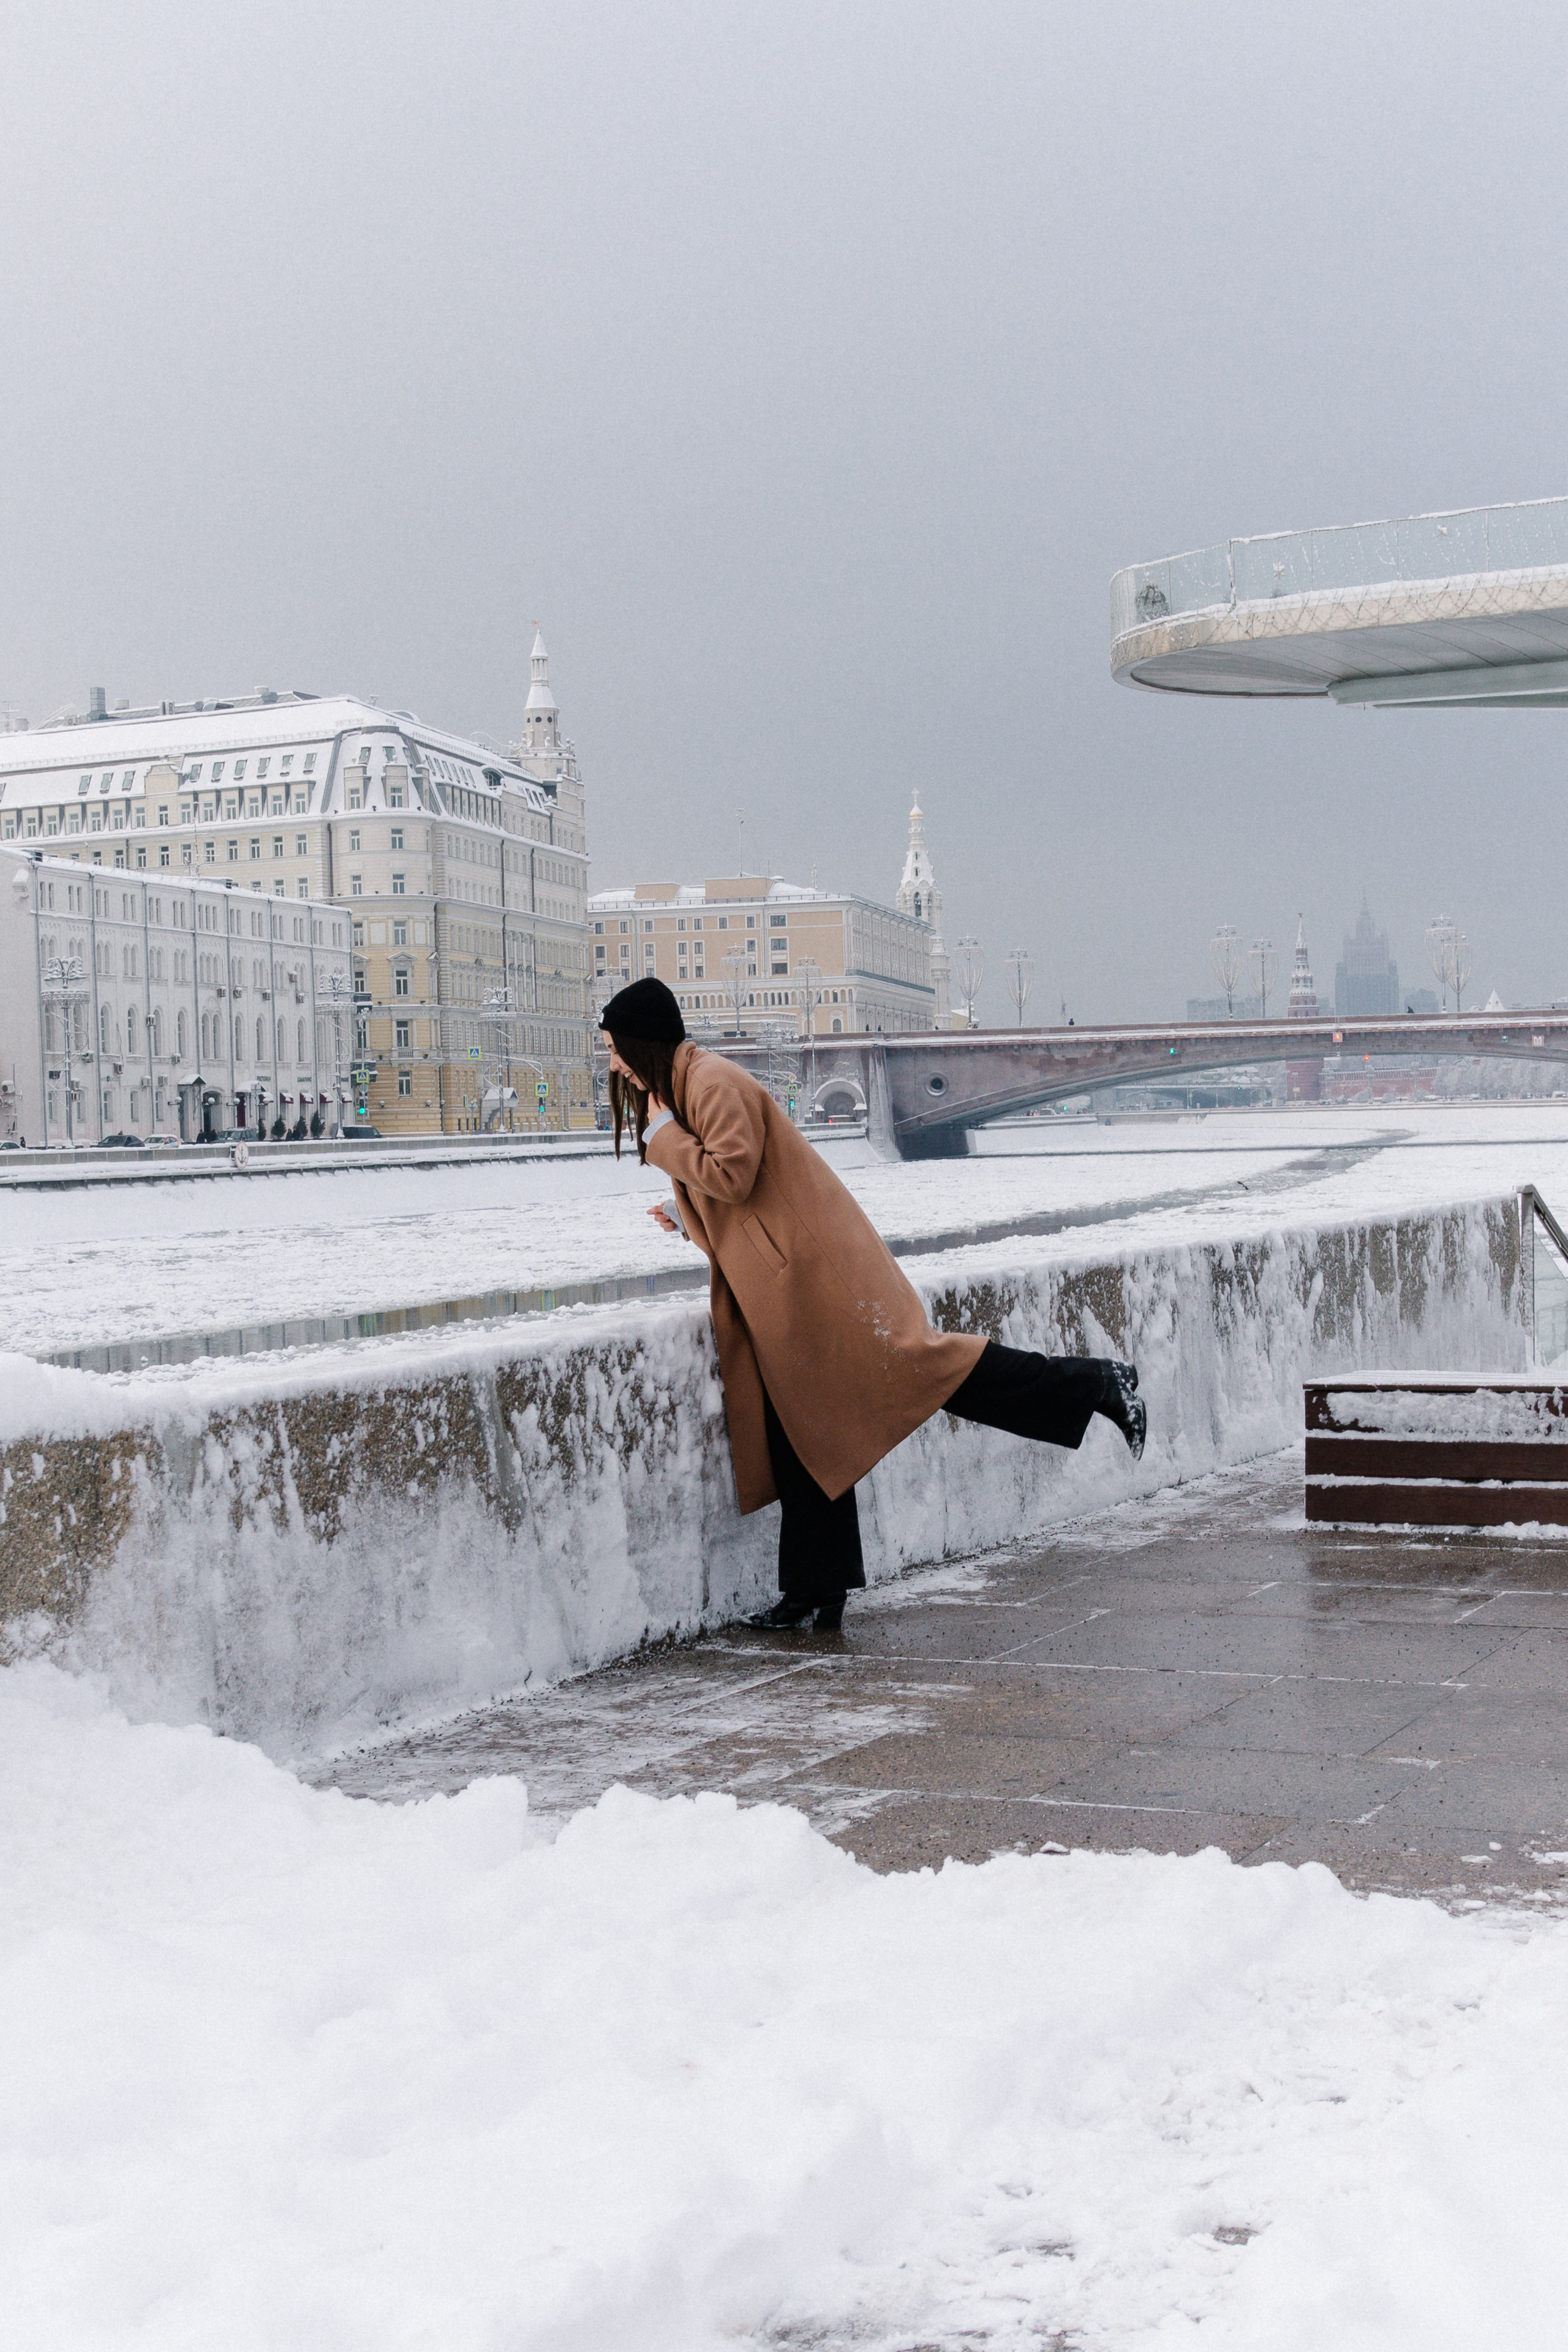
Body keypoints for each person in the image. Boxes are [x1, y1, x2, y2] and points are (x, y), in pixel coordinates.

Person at [601, 978, 1145, 1634]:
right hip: (790, 1289)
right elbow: (742, 1197)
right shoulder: (693, 1085)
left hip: (819, 1285)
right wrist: (685, 1213)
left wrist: (662, 1137)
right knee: (807, 1429)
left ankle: (1095, 1382)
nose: (612, 1064)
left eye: (615, 1048)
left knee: (929, 1370)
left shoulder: (710, 1083)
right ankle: (814, 1589)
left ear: (642, 1040)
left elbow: (734, 1174)